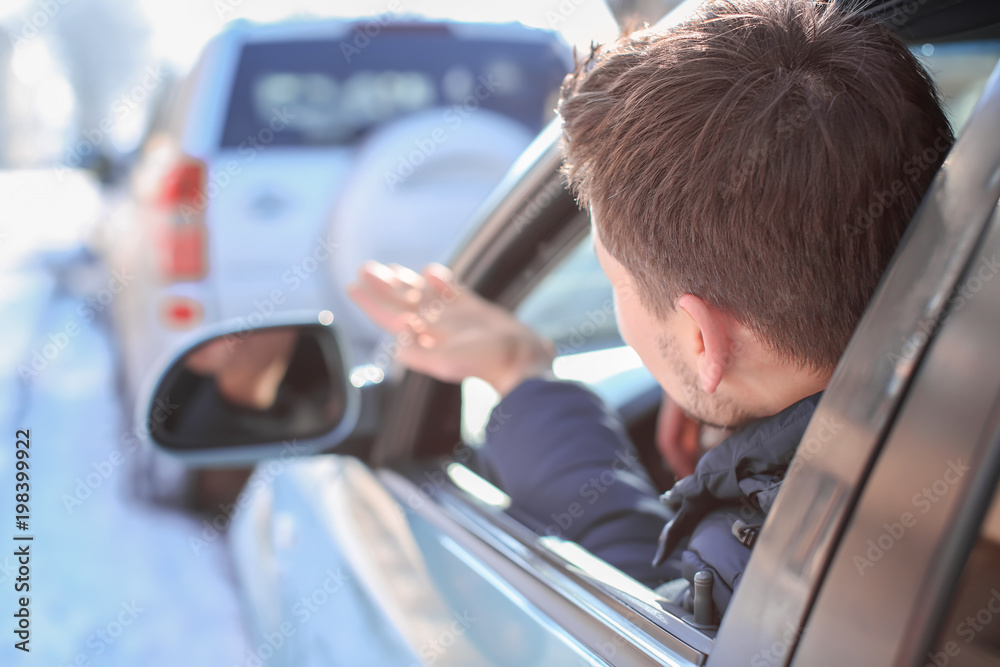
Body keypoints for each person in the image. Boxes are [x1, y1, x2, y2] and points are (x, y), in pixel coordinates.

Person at [347, 0, 953, 619]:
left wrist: (517, 372)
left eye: (615, 280)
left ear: (702, 339)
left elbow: (639, 600)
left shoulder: (766, 583)